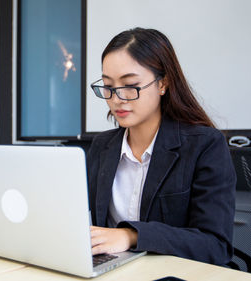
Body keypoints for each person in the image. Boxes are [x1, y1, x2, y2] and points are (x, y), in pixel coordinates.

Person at [86, 27, 236, 265]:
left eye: (130, 85)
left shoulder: (205, 145)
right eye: (108, 87)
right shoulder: (102, 146)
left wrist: (131, 236)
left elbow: (215, 245)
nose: (116, 99)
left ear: (163, 83)